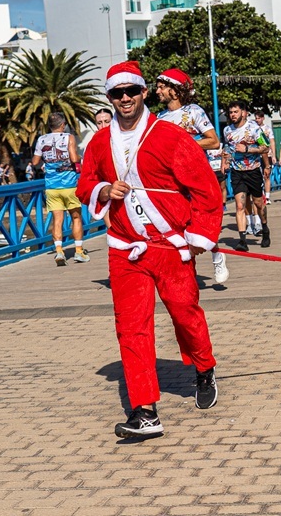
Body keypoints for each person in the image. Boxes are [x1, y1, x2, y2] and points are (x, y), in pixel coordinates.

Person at [75, 61, 222, 438]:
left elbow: (207, 190)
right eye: (116, 93)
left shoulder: (170, 136)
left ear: (143, 93)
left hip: (171, 247)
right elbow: (86, 182)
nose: (124, 98)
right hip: (124, 249)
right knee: (131, 328)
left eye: (131, 91)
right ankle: (145, 412)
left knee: (185, 314)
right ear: (109, 98)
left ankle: (204, 368)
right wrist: (104, 191)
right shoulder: (98, 141)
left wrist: (200, 236)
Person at [155, 68, 228, 284]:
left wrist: (185, 145)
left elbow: (213, 141)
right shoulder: (160, 117)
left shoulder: (193, 111)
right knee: (177, 224)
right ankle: (187, 272)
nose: (157, 91)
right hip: (170, 179)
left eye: (161, 87)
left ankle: (217, 255)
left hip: (195, 176)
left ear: (175, 91)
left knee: (201, 220)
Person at [32, 112, 88, 266]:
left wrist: (48, 160)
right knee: (76, 217)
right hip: (69, 185)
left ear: (50, 125)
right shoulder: (68, 137)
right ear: (63, 124)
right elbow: (74, 158)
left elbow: (35, 161)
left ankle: (59, 252)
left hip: (51, 186)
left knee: (57, 219)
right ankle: (78, 251)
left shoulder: (42, 139)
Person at [222, 100, 270, 251]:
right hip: (237, 172)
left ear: (243, 112)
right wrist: (224, 161)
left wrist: (248, 148)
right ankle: (242, 240)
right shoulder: (227, 130)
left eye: (235, 112)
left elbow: (265, 147)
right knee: (240, 205)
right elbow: (228, 149)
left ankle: (265, 229)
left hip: (253, 170)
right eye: (230, 112)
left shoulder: (254, 129)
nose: (233, 115)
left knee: (258, 203)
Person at [253, 110, 277, 204]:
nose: (257, 120)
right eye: (256, 118)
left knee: (266, 175)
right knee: (258, 176)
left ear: (263, 118)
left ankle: (267, 196)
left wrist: (274, 155)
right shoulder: (253, 128)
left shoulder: (267, 129)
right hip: (256, 154)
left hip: (268, 154)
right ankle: (260, 194)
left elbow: (272, 142)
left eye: (259, 118)